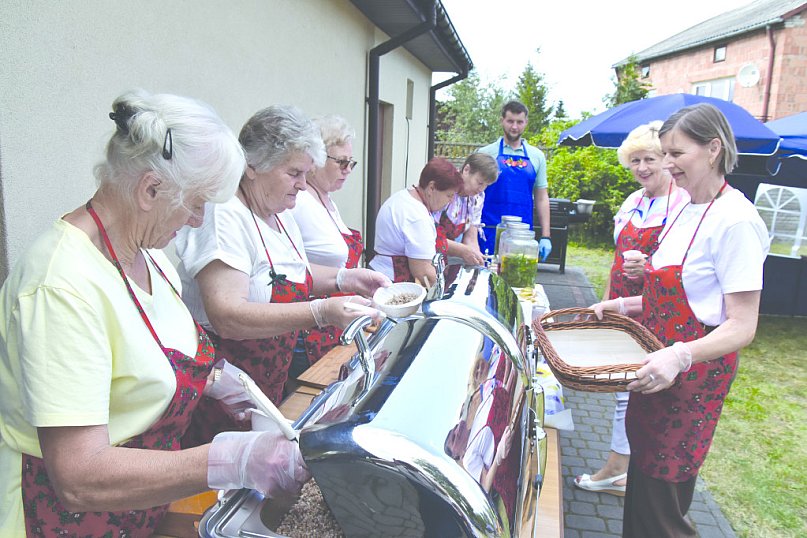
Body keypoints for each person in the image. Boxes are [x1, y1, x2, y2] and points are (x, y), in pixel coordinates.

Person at [0, 90, 308, 537]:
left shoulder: (152, 255)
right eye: (197, 202)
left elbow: (151, 354)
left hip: (139, 509)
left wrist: (214, 380)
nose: (199, 220)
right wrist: (229, 460)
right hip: (66, 519)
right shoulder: (60, 286)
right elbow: (80, 476)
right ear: (150, 189)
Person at [592, 103, 769, 537]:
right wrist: (622, 306)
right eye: (664, 154)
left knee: (662, 509)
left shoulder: (737, 221)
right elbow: (677, 294)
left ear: (713, 149)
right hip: (657, 369)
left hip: (691, 381)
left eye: (676, 153)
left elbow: (742, 325)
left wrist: (679, 357)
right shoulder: (687, 208)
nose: (667, 165)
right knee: (644, 491)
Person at [175, 104, 387, 414]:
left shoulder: (279, 211)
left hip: (264, 383)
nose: (303, 184)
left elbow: (287, 274)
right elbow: (227, 314)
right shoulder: (224, 214)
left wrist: (346, 278)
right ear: (252, 166)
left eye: (306, 173)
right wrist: (322, 312)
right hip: (221, 390)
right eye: (294, 173)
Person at [574, 121, 689, 497]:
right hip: (622, 304)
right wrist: (607, 300)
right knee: (627, 386)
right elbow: (615, 258)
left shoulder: (682, 204)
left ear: (666, 160)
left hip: (655, 308)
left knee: (634, 386)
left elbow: (684, 267)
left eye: (651, 159)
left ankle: (619, 466)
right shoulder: (632, 201)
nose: (642, 168)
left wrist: (649, 268)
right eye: (636, 160)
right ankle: (628, 466)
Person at [289, 115, 363, 366]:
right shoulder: (297, 202)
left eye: (351, 163)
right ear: (316, 159)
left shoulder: (326, 198)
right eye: (341, 162)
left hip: (335, 323)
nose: (348, 170)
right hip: (309, 333)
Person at [369, 157, 462, 284]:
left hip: (379, 273)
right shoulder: (417, 216)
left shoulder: (404, 196)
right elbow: (423, 273)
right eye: (449, 195)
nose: (450, 201)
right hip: (391, 284)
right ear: (432, 188)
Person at [478, 100, 551, 261]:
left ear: (526, 123)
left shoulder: (537, 156)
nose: (514, 127)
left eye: (519, 122)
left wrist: (546, 236)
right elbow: (471, 193)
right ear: (502, 120)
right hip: (488, 230)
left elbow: (541, 197)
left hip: (522, 236)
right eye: (510, 121)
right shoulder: (486, 153)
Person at [433, 152, 499, 266]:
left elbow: (471, 237)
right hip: (425, 257)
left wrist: (477, 260)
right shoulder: (444, 188)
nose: (481, 189)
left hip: (446, 261)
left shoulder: (477, 197)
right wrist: (462, 251)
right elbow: (429, 236)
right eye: (480, 183)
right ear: (467, 170)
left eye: (486, 185)